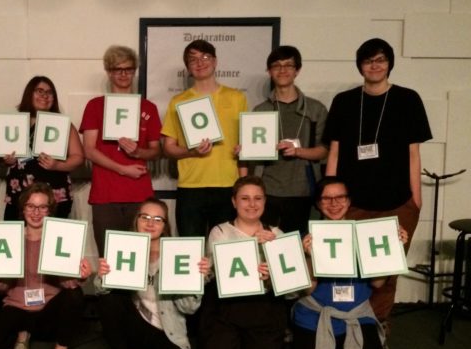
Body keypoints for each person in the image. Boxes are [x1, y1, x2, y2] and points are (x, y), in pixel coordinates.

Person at [322, 38, 431, 335]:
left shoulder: (408, 99)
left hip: (397, 202)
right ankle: (345, 325)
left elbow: (413, 152)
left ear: (389, 63)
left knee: (385, 272)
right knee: (350, 266)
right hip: (352, 203)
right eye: (369, 60)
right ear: (360, 65)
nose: (375, 65)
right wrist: (329, 196)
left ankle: (378, 329)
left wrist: (415, 202)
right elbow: (334, 151)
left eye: (381, 59)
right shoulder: (344, 102)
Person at [292, 176, 405, 349]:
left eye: (340, 197)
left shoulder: (366, 235)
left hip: (356, 314)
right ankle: (307, 340)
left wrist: (391, 248)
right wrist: (308, 256)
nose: (334, 204)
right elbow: (307, 290)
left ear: (349, 200)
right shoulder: (305, 237)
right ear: (317, 203)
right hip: (316, 315)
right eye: (326, 199)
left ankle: (341, 346)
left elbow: (378, 284)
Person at [0, 183, 92, 349]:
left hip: (48, 310)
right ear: (23, 209)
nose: (36, 212)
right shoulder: (9, 238)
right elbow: (4, 286)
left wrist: (79, 276)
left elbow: (66, 285)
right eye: (31, 206)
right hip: (17, 307)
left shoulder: (58, 238)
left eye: (42, 207)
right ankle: (23, 332)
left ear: (50, 210)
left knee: (75, 294)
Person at [199, 176, 298, 349]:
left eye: (257, 198)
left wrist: (273, 273)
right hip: (227, 307)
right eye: (245, 198)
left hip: (263, 308)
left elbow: (292, 291)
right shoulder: (220, 232)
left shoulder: (276, 234)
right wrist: (255, 244)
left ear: (264, 201)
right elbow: (214, 277)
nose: (252, 204)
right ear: (234, 202)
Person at [96, 197, 210, 349]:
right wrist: (103, 275)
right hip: (133, 324)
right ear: (137, 220)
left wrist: (196, 279)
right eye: (145, 217)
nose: (150, 223)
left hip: (165, 329)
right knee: (108, 297)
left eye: (158, 219)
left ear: (165, 226)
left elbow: (190, 308)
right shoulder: (124, 248)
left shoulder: (179, 254)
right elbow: (101, 292)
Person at [80, 46, 162, 254]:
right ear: (109, 72)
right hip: (105, 194)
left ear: (135, 71)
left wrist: (137, 153)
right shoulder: (95, 106)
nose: (124, 74)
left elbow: (156, 151)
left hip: (139, 193)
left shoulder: (148, 107)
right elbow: (89, 150)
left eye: (129, 69)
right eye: (118, 69)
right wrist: (122, 169)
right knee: (109, 258)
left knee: (139, 257)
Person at [161, 40, 247, 238]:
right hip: (191, 186)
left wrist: (243, 181)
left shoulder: (236, 98)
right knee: (191, 249)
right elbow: (168, 148)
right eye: (193, 59)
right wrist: (191, 152)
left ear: (215, 61)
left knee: (226, 250)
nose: (200, 62)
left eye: (205, 57)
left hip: (228, 185)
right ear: (188, 68)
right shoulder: (178, 101)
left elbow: (246, 143)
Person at [247, 46, 328, 237]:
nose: (282, 70)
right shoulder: (260, 111)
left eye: (288, 65)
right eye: (276, 66)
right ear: (269, 71)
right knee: (266, 245)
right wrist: (245, 150)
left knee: (298, 247)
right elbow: (253, 153)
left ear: (297, 70)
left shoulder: (315, 109)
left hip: (303, 191)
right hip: (267, 190)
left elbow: (324, 151)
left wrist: (298, 151)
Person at [0, 76, 84, 220]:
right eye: (39, 91)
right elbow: (1, 157)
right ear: (29, 94)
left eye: (49, 92)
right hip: (19, 196)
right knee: (17, 240)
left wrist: (58, 165)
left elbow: (78, 157)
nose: (44, 95)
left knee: (51, 240)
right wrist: (8, 160)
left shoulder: (63, 125)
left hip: (54, 195)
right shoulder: (14, 123)